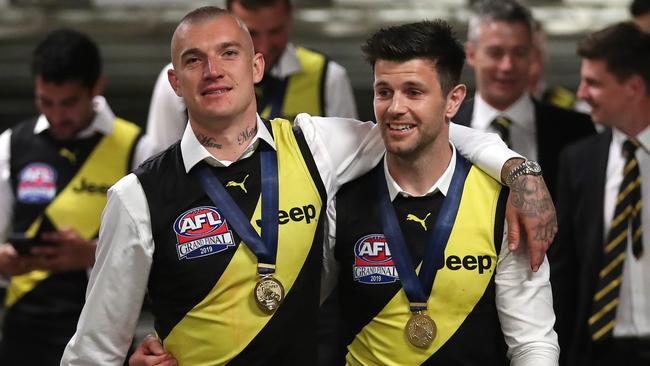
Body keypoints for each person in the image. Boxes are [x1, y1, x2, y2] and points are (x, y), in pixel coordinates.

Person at [61, 7, 556, 365]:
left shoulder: (314, 146)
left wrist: (520, 171)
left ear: (256, 67)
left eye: (228, 53)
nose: (213, 71)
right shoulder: (136, 196)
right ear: (174, 82)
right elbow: (93, 350)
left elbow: (423, 129)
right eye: (194, 60)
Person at [323, 19, 558, 366]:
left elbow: (532, 343)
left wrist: (521, 172)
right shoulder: (341, 197)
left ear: (453, 101)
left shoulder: (502, 203)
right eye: (383, 91)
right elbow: (304, 313)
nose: (395, 107)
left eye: (414, 92)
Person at [0, 28, 156, 365]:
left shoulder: (138, 148)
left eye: (68, 102)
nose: (57, 115)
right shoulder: (11, 144)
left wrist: (92, 254)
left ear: (97, 86)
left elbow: (162, 256)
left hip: (103, 335)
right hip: (22, 336)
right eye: (45, 101)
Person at [549, 22, 650, 366]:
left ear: (633, 87)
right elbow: (564, 271)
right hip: (599, 352)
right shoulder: (578, 161)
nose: (580, 93)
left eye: (593, 83)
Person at [146, 0, 358, 150]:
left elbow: (348, 160)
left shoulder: (328, 76)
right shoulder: (182, 81)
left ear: (289, 18)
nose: (264, 46)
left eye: (275, 31)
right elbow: (161, 166)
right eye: (252, 33)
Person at [454, 0, 594, 197]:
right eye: (495, 53)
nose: (507, 66)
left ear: (533, 56)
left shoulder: (577, 132)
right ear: (471, 54)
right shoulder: (445, 129)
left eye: (519, 53)